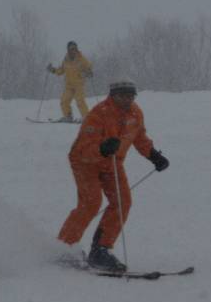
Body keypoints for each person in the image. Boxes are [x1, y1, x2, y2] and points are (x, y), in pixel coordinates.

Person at [57, 78, 170, 272]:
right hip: (85, 162)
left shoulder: (135, 113)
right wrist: (102, 148)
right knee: (91, 203)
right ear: (112, 95)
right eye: (122, 96)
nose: (127, 100)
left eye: (131, 96)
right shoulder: (98, 114)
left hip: (112, 164)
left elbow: (139, 138)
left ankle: (100, 250)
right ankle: (65, 248)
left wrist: (154, 156)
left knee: (122, 202)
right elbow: (84, 148)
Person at [47, 41, 93, 122]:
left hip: (79, 84)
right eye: (71, 49)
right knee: (64, 101)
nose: (73, 50)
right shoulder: (66, 60)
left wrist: (88, 72)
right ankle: (68, 116)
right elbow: (61, 71)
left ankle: (86, 118)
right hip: (69, 85)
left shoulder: (81, 58)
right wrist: (53, 70)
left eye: (75, 48)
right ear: (68, 50)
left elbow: (89, 66)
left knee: (80, 101)